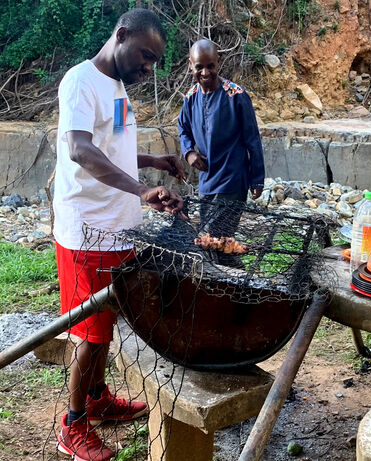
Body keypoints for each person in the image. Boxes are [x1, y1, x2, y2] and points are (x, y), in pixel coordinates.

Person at [53, 9, 185, 461]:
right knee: (88, 333)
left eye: (154, 61)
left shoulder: (117, 89)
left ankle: (97, 399)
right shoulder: (80, 81)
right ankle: (72, 425)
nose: (149, 66)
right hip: (86, 231)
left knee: (106, 322)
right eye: (146, 55)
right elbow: (81, 149)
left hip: (117, 229)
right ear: (121, 35)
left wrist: (154, 162)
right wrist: (143, 190)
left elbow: (114, 149)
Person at [178, 39, 265, 239]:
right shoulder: (191, 97)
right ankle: (229, 269)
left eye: (210, 66)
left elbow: (253, 140)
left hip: (233, 179)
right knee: (210, 239)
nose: (205, 73)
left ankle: (226, 268)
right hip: (206, 179)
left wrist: (257, 179)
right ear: (190, 65)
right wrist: (189, 152)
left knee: (216, 236)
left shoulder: (236, 95)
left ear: (219, 62)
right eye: (199, 67)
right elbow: (183, 128)